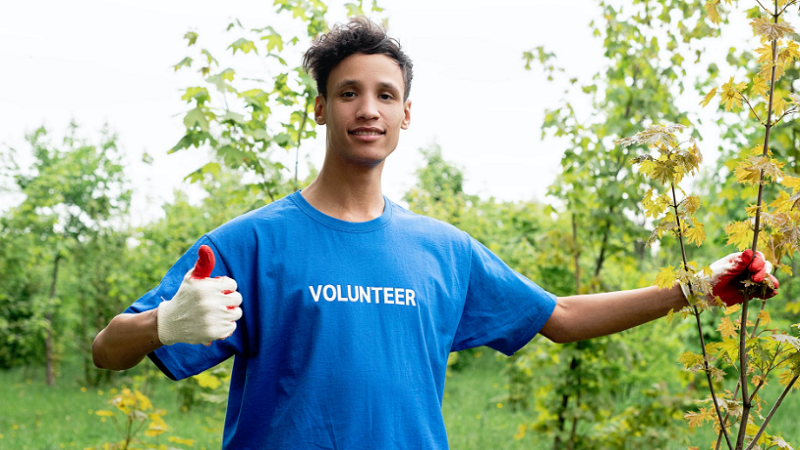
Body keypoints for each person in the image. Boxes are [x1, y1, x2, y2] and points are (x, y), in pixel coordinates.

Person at [92, 17, 778, 450]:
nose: (368, 109)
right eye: (349, 92)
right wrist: (162, 324)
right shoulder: (253, 243)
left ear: (407, 113)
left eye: (385, 95)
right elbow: (105, 348)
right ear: (320, 110)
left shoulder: (442, 251)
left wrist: (696, 288)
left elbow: (562, 317)